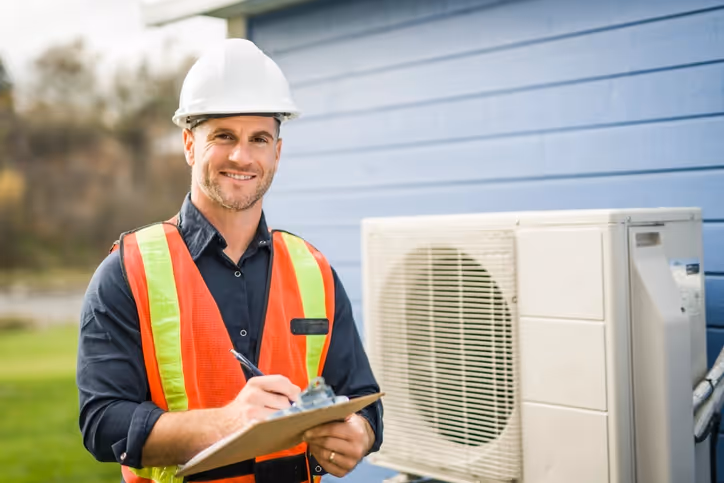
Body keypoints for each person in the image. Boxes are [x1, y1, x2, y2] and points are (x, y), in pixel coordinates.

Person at [77, 38, 382, 483]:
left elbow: (363, 399)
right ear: (188, 144)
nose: (242, 156)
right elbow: (102, 424)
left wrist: (360, 432)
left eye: (259, 138)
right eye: (224, 136)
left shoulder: (313, 270)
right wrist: (226, 423)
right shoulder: (127, 271)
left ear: (277, 152)